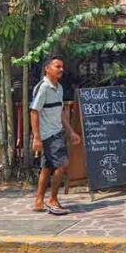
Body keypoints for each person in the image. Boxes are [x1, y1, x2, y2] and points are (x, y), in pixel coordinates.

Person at [30, 55, 81, 215]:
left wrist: (70, 131)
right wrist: (37, 137)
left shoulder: (58, 88)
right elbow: (34, 112)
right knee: (63, 165)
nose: (61, 70)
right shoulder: (43, 87)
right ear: (47, 69)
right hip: (48, 134)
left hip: (57, 131)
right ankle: (53, 199)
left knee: (47, 167)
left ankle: (39, 200)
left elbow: (61, 112)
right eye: (57, 67)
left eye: (62, 67)